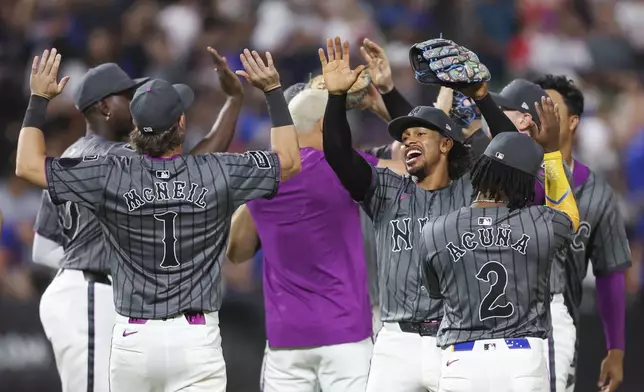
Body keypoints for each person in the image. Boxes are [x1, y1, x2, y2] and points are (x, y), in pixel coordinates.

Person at [16, 47, 301, 392]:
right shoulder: (209, 172)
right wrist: (270, 90)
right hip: (181, 329)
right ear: (181, 125)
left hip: (128, 328)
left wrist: (39, 99)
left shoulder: (104, 171)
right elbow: (287, 160)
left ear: (137, 126)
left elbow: (30, 175)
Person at [319, 35, 529, 391]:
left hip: (457, 338)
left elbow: (515, 153)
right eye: (406, 135)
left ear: (447, 144)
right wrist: (336, 97)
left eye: (421, 134)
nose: (409, 140)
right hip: (394, 342)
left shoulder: (473, 192)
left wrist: (481, 97)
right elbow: (338, 153)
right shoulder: (384, 190)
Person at [226, 71, 406, 391]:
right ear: (326, 126)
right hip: (346, 334)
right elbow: (416, 171)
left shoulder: (264, 176)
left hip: (287, 339)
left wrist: (252, 198)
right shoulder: (343, 167)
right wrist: (381, 107)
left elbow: (236, 252)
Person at [419, 120, 579, 392]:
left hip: (462, 361)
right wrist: (552, 154)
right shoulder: (539, 222)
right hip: (521, 359)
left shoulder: (435, 229)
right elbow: (570, 218)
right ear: (522, 182)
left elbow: (436, 293)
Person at [534, 74, 631, 392]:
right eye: (536, 107)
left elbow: (610, 274)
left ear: (573, 121)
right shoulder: (510, 176)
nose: (541, 114)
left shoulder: (597, 192)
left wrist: (615, 350)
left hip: (561, 326)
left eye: (551, 107)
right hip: (499, 327)